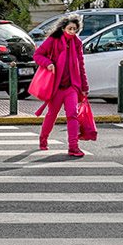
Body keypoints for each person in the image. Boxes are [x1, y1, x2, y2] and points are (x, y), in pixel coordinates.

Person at [34, 13, 90, 158]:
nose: (72, 32)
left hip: (71, 86)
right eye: (70, 29)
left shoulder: (77, 43)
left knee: (72, 115)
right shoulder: (54, 40)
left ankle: (73, 147)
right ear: (63, 28)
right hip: (56, 86)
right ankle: (43, 139)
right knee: (52, 115)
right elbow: (38, 55)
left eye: (75, 30)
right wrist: (49, 64)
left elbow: (81, 66)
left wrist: (84, 87)